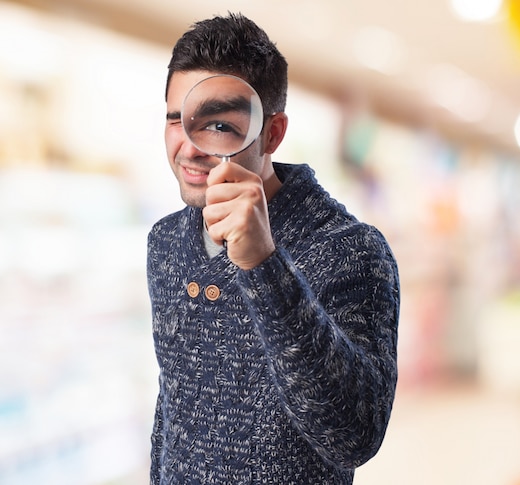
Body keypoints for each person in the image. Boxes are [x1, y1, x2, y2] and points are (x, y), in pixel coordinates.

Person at [147, 12, 400, 484]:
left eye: (218, 125)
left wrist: (264, 266)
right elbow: (173, 410)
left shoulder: (352, 250)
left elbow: (355, 437)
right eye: (176, 121)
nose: (189, 147)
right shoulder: (166, 242)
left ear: (273, 133)